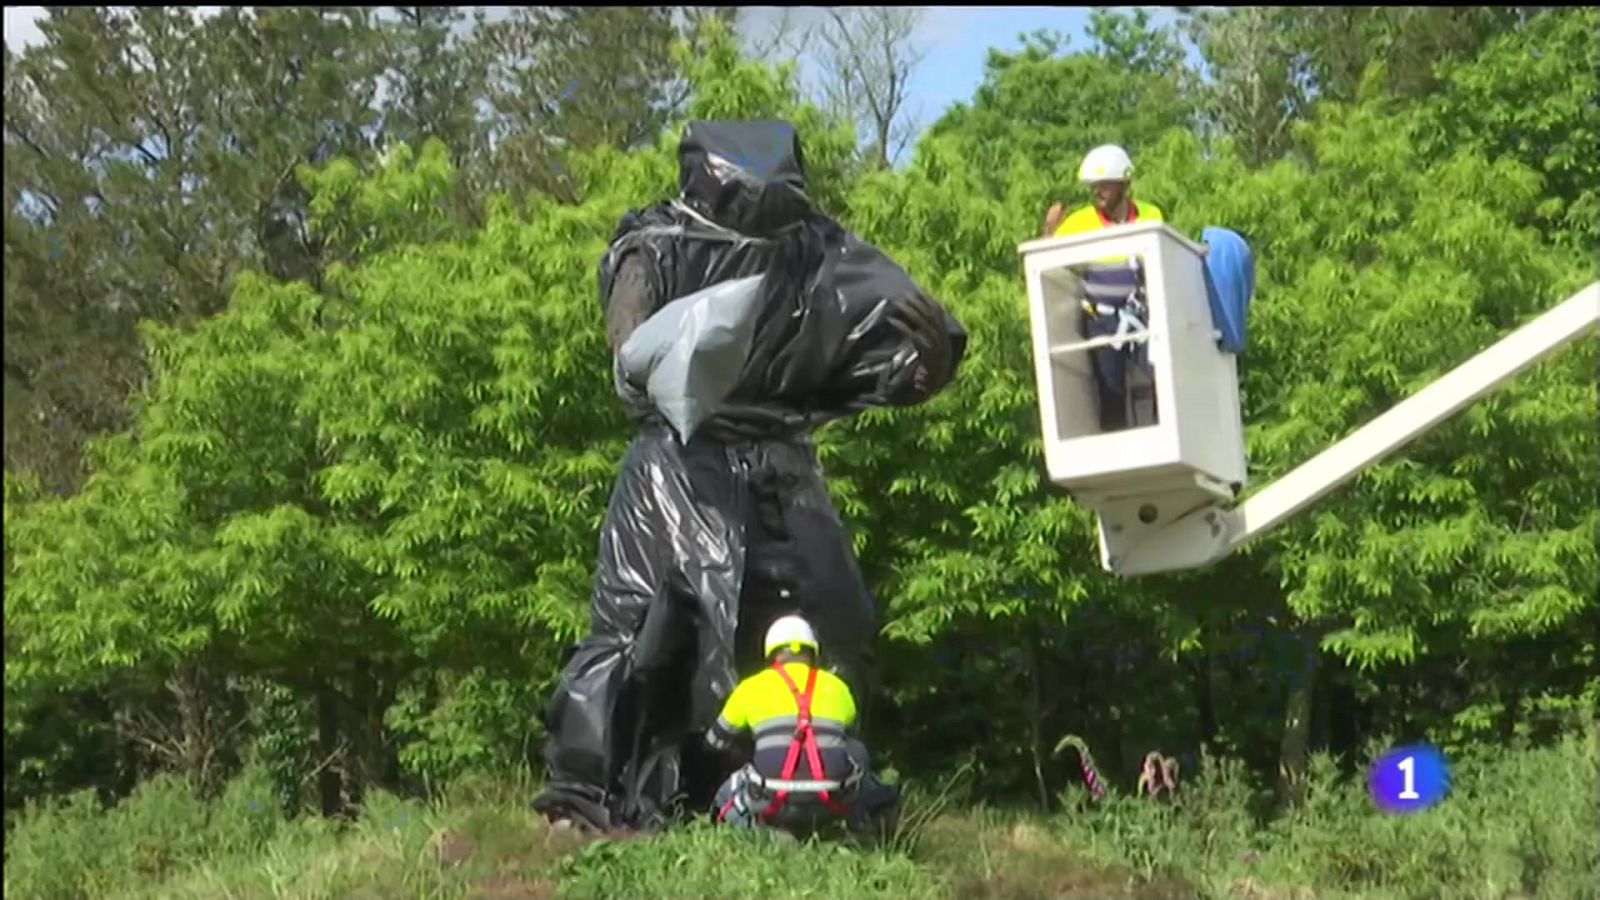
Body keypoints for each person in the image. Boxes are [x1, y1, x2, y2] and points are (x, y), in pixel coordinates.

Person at [531, 120, 964, 834]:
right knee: (644, 627)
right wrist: (663, 351)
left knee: (830, 617)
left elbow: (889, 342)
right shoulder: (658, 245)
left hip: (780, 469)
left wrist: (925, 367)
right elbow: (630, 353)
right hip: (678, 470)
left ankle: (819, 787)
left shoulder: (816, 252)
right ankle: (599, 798)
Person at [706, 614, 897, 835]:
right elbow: (852, 738)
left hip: (772, 800)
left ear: (772, 652)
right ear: (813, 651)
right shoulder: (837, 687)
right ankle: (855, 827)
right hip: (831, 800)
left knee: (724, 796)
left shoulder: (751, 687)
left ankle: (765, 836)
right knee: (858, 753)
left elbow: (715, 742)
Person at [1041, 144, 1166, 432]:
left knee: (1156, 380)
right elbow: (1047, 264)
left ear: (1124, 184)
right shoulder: (1079, 223)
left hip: (1143, 314)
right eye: (1094, 187)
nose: (1098, 193)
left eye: (1105, 186)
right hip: (1102, 319)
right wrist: (1050, 231)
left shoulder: (1150, 215)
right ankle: (1117, 448)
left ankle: (1156, 439)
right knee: (1110, 390)